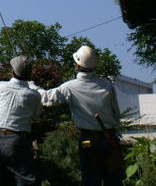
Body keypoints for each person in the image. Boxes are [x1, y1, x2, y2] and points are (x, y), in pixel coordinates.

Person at [29, 45, 123, 186]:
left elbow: (47, 98)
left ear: (77, 66)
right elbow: (117, 114)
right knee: (113, 178)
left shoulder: (71, 87)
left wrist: (32, 86)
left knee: (90, 178)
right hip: (110, 139)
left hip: (87, 140)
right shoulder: (107, 85)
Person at [0, 55, 42, 186]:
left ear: (12, 72)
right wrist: (33, 87)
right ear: (29, 75)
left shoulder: (0, 86)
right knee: (26, 180)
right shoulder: (33, 95)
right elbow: (37, 115)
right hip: (16, 140)